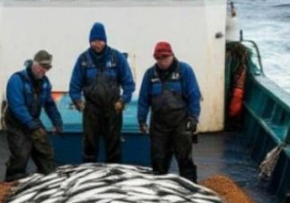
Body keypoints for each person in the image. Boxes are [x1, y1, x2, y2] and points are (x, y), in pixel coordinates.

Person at [68, 22, 135, 164]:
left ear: (105, 41)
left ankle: (114, 179)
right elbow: (75, 86)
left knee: (114, 147)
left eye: (99, 41)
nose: (96, 44)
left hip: (113, 109)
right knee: (89, 148)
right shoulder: (83, 60)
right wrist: (78, 101)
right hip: (91, 111)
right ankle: (88, 179)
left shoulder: (117, 58)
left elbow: (129, 84)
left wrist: (123, 101)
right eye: (93, 41)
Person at [137, 41, 202, 182]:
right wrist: (141, 120)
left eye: (165, 57)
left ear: (172, 55)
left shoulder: (185, 70)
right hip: (159, 125)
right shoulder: (150, 74)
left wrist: (193, 118)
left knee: (185, 160)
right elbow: (143, 99)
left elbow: (194, 96)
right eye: (158, 58)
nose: (162, 61)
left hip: (180, 123)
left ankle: (191, 190)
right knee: (159, 161)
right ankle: (159, 193)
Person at [3, 50, 64, 181]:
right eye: (41, 66)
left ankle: (47, 177)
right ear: (33, 64)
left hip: (33, 120)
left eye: (46, 68)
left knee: (45, 150)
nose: (43, 70)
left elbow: (49, 104)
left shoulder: (45, 82)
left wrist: (57, 122)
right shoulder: (17, 80)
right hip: (16, 122)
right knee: (21, 154)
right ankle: (12, 180)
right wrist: (32, 125)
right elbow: (17, 106)